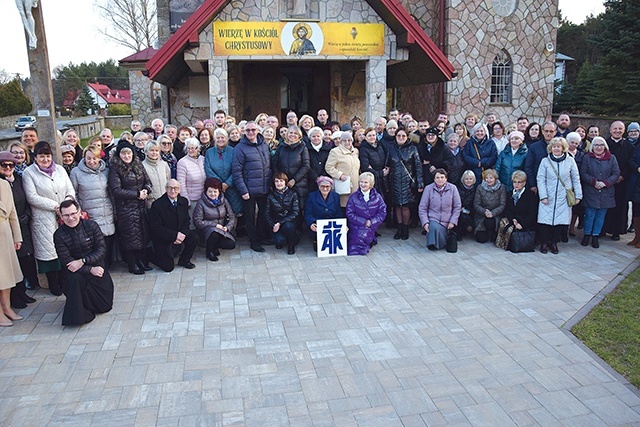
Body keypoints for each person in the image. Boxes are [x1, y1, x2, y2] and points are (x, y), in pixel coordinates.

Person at [22, 141, 76, 296]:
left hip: (65, 215)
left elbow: (70, 188)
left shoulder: (59, 169)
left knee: (66, 248)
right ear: (35, 157)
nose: (45, 160)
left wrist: (68, 203)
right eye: (41, 156)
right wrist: (56, 206)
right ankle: (53, 283)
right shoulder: (29, 172)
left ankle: (65, 279)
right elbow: (32, 197)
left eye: (47, 156)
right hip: (44, 218)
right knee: (49, 250)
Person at [53, 199, 114, 326]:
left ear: (80, 212)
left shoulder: (92, 226)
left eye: (73, 214)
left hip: (96, 267)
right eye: (66, 215)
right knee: (74, 278)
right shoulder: (58, 235)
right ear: (61, 216)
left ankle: (83, 303)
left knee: (105, 307)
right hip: (75, 273)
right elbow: (66, 261)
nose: (71, 218)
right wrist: (87, 269)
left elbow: (101, 250)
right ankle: (78, 315)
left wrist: (83, 262)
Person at [0, 151, 38, 306]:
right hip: (6, 228)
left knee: (24, 259)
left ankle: (21, 293)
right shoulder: (2, 183)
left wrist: (26, 216)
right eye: (4, 165)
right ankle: (14, 297)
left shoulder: (18, 180)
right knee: (9, 265)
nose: (8, 168)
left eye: (11, 165)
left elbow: (27, 199)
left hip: (22, 222)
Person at [108, 140, 152, 275]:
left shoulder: (138, 164)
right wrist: (136, 194)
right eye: (123, 153)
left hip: (140, 207)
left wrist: (146, 190)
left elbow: (147, 181)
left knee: (142, 235)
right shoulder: (115, 168)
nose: (127, 156)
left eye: (129, 153)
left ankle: (141, 261)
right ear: (119, 155)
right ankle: (132, 264)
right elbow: (116, 190)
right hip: (125, 208)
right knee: (130, 238)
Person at [70, 145, 116, 267]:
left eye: (94, 158)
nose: (91, 161)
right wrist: (78, 210)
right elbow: (73, 193)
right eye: (88, 158)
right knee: (96, 241)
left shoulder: (106, 170)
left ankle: (107, 266)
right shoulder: (76, 172)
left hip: (107, 211)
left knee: (108, 240)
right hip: (89, 212)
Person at [537, 137, 583, 254]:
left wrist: (578, 195)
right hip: (548, 196)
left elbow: (575, 178)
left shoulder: (570, 161)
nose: (556, 148)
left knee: (559, 222)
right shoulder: (545, 161)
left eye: (559, 146)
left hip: (563, 196)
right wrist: (543, 196)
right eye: (554, 146)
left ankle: (554, 243)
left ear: (563, 148)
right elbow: (540, 179)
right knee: (545, 222)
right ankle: (544, 242)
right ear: (550, 148)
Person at [232, 121, 271, 252]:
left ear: (258, 131)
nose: (251, 132)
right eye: (248, 130)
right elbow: (236, 171)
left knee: (263, 215)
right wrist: (243, 190)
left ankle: (261, 237)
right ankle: (253, 241)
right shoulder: (240, 148)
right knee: (250, 217)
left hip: (264, 188)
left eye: (253, 130)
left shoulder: (264, 144)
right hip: (248, 189)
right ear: (244, 132)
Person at [146, 180, 198, 271]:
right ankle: (149, 254)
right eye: (170, 188)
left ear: (179, 189)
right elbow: (156, 228)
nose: (173, 191)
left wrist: (182, 234)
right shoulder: (157, 205)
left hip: (179, 233)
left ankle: (184, 260)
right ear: (166, 189)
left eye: (176, 188)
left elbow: (186, 221)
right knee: (168, 267)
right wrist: (175, 236)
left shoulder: (183, 201)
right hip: (163, 237)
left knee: (194, 238)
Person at [579, 137, 620, 248]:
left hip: (606, 191)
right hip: (591, 190)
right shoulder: (587, 157)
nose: (598, 147)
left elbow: (616, 173)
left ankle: (595, 236)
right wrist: (594, 182)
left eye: (601, 145)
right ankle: (587, 235)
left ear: (605, 146)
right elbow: (583, 173)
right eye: (596, 145)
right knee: (589, 215)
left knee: (600, 216)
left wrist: (606, 183)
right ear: (592, 146)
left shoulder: (612, 158)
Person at [388, 128, 424, 240]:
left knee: (405, 206)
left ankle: (405, 228)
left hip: (407, 182)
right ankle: (399, 228)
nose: (401, 138)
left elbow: (418, 167)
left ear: (407, 137)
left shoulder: (412, 149)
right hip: (394, 181)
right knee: (397, 205)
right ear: (395, 136)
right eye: (399, 135)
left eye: (403, 136)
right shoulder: (391, 148)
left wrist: (420, 183)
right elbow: (387, 165)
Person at [604, 121, 635, 240]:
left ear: (624, 130)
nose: (617, 131)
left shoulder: (629, 146)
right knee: (605, 206)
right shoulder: (604, 144)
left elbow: (630, 163)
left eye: (620, 129)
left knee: (620, 207)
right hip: (606, 181)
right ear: (610, 130)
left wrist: (622, 176)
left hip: (622, 182)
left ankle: (616, 231)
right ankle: (603, 229)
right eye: (615, 128)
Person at [193, 178, 236, 262]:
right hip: (207, 231)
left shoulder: (224, 201)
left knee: (231, 244)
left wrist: (227, 227)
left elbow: (231, 216)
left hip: (222, 229)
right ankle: (210, 251)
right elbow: (197, 221)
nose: (213, 194)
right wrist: (215, 225)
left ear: (219, 191)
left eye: (215, 191)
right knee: (213, 232)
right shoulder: (201, 203)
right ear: (206, 191)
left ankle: (215, 246)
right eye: (210, 191)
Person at [0, 176, 24, 327]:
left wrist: (17, 237)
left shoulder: (4, 184)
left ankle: (7, 307)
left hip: (5, 235)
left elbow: (12, 213)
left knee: (7, 275)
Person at [418, 168, 461, 250]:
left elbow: (457, 207)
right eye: (437, 177)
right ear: (434, 179)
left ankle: (439, 242)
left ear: (446, 178)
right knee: (434, 227)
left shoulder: (453, 188)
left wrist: (453, 221)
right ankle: (433, 244)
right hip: (434, 218)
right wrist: (425, 223)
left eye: (442, 177)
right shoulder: (428, 189)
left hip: (448, 220)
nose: (440, 180)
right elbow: (422, 208)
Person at [345, 172, 387, 255]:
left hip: (371, 225)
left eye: (365, 182)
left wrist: (371, 222)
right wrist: (364, 222)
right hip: (356, 225)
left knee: (364, 238)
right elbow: (349, 213)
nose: (363, 184)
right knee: (355, 248)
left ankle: (371, 239)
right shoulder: (353, 197)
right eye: (361, 182)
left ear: (371, 184)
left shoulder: (378, 197)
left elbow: (382, 212)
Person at [205, 128, 243, 216]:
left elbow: (237, 169)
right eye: (218, 138)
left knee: (234, 212)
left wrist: (227, 183)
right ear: (214, 139)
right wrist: (220, 184)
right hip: (216, 189)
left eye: (223, 137)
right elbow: (208, 169)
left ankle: (232, 230)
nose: (220, 140)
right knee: (218, 213)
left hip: (232, 187)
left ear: (227, 138)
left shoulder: (233, 151)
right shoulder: (209, 152)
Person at [272, 125, 310, 212]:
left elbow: (306, 166)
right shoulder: (281, 147)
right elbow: (274, 163)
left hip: (299, 184)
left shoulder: (303, 147)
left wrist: (294, 180)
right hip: (282, 184)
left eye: (295, 133)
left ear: (299, 136)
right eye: (291, 133)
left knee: (298, 211)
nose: (293, 135)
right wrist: (280, 179)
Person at [265, 172, 300, 255]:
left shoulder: (293, 194)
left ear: (285, 182)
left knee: (288, 226)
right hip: (275, 222)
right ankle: (281, 239)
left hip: (288, 222)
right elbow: (267, 214)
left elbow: (295, 212)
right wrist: (273, 224)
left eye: (281, 181)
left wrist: (280, 223)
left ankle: (291, 245)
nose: (279, 183)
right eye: (276, 181)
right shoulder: (270, 196)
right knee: (279, 241)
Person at [304, 176, 343, 250]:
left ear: (331, 187)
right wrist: (312, 223)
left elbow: (339, 213)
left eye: (327, 186)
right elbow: (308, 213)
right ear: (318, 186)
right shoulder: (312, 196)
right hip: (318, 223)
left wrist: (343, 225)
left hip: (331, 225)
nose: (325, 189)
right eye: (322, 186)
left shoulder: (336, 196)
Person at [325, 132, 361, 207]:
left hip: (355, 186)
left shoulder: (355, 152)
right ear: (341, 142)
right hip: (342, 186)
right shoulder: (335, 152)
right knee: (343, 207)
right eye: (344, 140)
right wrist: (339, 175)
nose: (347, 142)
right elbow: (328, 167)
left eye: (349, 140)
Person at [177, 137, 206, 222]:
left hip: (204, 198)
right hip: (192, 200)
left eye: (193, 148)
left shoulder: (203, 159)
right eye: (188, 148)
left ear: (198, 148)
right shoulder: (182, 162)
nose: (191, 150)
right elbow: (181, 184)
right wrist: (186, 201)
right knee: (193, 223)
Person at [473, 169, 506, 243]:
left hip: (496, 214)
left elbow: (502, 204)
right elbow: (476, 204)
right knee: (481, 239)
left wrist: (493, 213)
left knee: (490, 222)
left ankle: (493, 232)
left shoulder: (501, 187)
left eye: (491, 178)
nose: (488, 180)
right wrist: (485, 212)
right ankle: (485, 232)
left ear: (495, 179)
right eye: (486, 178)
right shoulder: (480, 187)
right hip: (482, 215)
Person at [504, 170, 537, 234]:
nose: (516, 184)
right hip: (513, 221)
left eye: (519, 182)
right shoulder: (509, 194)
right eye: (514, 182)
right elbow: (507, 209)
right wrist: (513, 219)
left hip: (526, 223)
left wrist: (522, 224)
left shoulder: (530, 195)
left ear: (524, 183)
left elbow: (532, 213)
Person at [359, 127, 389, 196]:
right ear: (365, 137)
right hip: (373, 180)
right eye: (369, 136)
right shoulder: (363, 149)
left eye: (373, 135)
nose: (372, 137)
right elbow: (365, 167)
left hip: (383, 180)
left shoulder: (379, 146)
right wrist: (380, 173)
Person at [142, 140, 171, 209]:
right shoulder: (142, 166)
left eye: (157, 150)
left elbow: (168, 181)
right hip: (151, 203)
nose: (154, 153)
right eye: (151, 150)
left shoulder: (164, 164)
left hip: (165, 202)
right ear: (146, 152)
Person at [306, 126, 332, 192]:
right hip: (310, 180)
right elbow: (306, 164)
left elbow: (330, 163)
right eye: (313, 136)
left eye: (318, 136)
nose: (316, 138)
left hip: (326, 180)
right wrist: (316, 177)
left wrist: (323, 177)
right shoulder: (306, 149)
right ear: (310, 138)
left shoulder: (328, 149)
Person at [456, 170, 476, 239]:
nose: (468, 181)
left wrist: (469, 210)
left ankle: (467, 228)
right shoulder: (457, 189)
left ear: (473, 180)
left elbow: (475, 204)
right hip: (458, 209)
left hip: (470, 211)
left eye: (470, 179)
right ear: (463, 179)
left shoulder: (475, 190)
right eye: (466, 179)